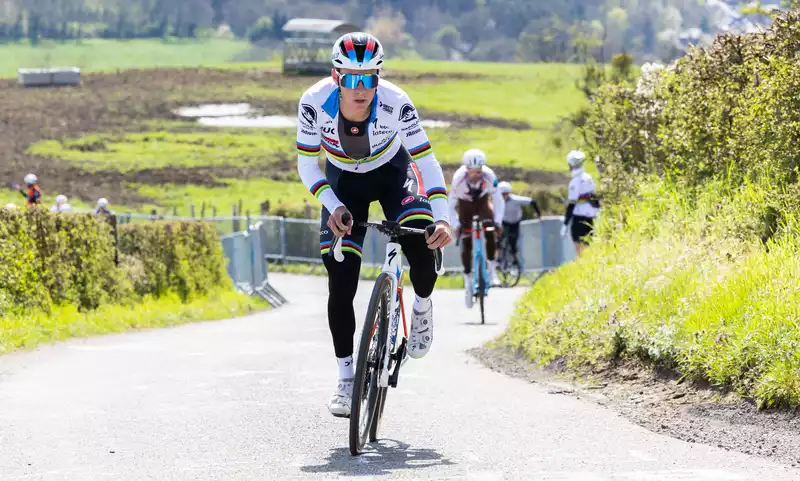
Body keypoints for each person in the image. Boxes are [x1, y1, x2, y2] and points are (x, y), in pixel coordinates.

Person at [295, 32, 452, 418]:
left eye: (369, 79)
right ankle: (346, 379)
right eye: (351, 78)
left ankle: (421, 305)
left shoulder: (397, 105)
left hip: (393, 174)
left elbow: (427, 162)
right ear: (336, 78)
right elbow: (306, 164)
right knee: (341, 278)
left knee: (423, 236)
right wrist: (332, 205)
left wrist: (443, 215)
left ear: (378, 80)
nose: (360, 89)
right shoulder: (314, 104)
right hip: (343, 183)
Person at [447, 149, 505, 307]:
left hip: (482, 201)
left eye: (479, 171)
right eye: (473, 172)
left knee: (490, 229)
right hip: (464, 204)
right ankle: (467, 277)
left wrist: (498, 222)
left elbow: (498, 199)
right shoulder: (458, 179)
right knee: (465, 239)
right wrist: (456, 225)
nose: (477, 175)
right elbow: (450, 205)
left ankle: (492, 270)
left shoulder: (489, 176)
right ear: (466, 170)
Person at [560, 150, 600, 257]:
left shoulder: (574, 182)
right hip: (590, 218)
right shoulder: (588, 178)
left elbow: (571, 205)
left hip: (579, 220)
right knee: (588, 249)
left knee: (580, 252)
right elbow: (594, 197)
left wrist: (565, 225)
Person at [497, 181, 541, 260]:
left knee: (513, 240)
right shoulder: (497, 201)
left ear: (509, 193)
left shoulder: (515, 199)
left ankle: (515, 259)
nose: (504, 196)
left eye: (506, 194)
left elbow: (532, 202)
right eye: (502, 194)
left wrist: (539, 215)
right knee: (498, 240)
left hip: (515, 222)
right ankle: (498, 258)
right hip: (504, 222)